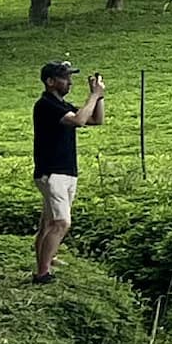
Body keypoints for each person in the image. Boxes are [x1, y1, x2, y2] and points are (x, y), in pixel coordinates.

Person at [32, 59, 103, 281]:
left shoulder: (62, 105)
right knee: (61, 222)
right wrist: (92, 96)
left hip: (65, 171)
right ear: (50, 81)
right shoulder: (46, 105)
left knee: (48, 222)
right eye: (65, 78)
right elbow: (80, 121)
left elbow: (95, 120)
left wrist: (99, 96)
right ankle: (42, 272)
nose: (69, 82)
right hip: (53, 172)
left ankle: (47, 259)